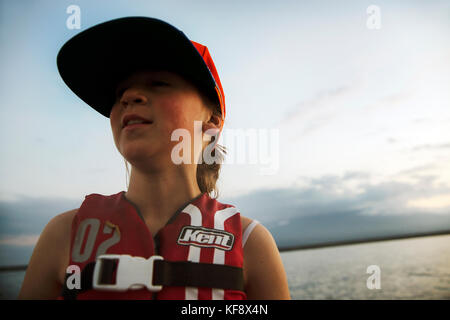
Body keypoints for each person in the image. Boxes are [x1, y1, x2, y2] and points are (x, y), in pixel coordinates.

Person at [19, 16, 290, 300]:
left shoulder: (251, 242)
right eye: (120, 93)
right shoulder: (64, 235)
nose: (129, 97)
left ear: (211, 120)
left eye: (158, 83)